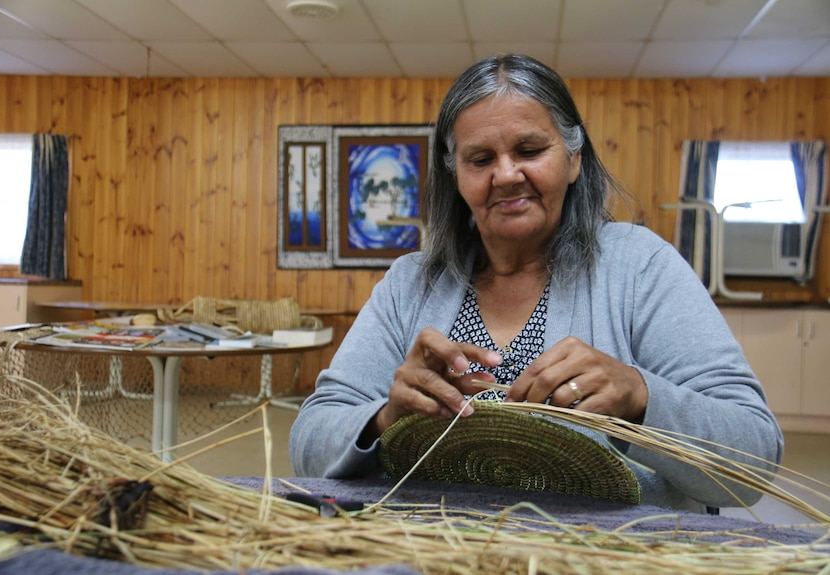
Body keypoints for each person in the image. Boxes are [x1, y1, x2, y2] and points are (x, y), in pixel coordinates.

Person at [289, 53, 783, 512]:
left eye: (529, 149)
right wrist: (385, 420)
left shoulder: (639, 267)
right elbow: (307, 443)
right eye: (480, 159)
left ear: (574, 160)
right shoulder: (410, 284)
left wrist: (639, 397)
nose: (506, 175)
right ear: (455, 176)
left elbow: (754, 459)